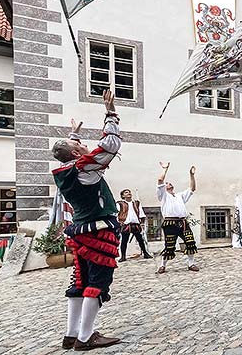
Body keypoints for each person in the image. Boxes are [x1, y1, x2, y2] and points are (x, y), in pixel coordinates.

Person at [50, 89, 122, 350]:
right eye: (79, 146)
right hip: (98, 232)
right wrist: (110, 113)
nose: (83, 146)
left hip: (79, 231)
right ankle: (86, 336)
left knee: (79, 281)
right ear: (77, 155)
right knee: (97, 282)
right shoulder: (84, 169)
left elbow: (73, 153)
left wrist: (73, 135)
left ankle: (71, 334)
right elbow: (109, 147)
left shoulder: (65, 172)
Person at [155, 161, 199, 273]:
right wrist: (165, 169)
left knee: (190, 242)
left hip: (183, 222)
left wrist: (192, 175)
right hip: (170, 223)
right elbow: (160, 180)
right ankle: (162, 265)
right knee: (169, 246)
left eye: (169, 183)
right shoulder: (163, 195)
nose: (168, 184)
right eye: (167, 183)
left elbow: (192, 188)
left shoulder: (180, 196)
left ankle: (191, 264)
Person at [117, 189, 152, 261]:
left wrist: (142, 223)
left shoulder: (136, 203)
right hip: (126, 225)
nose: (129, 193)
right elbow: (116, 213)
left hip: (135, 224)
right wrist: (119, 223)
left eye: (129, 192)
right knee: (124, 241)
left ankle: (145, 253)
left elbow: (141, 213)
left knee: (140, 240)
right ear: (123, 195)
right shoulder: (120, 204)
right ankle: (123, 256)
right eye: (126, 192)